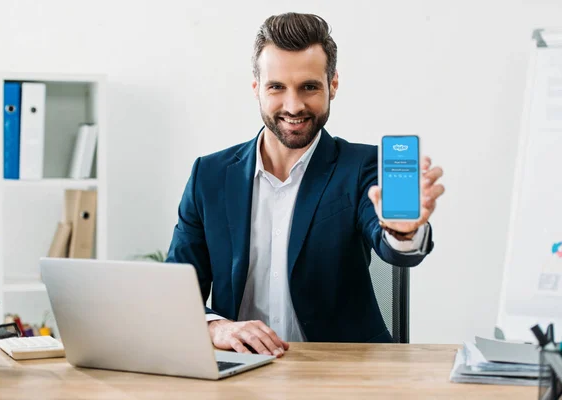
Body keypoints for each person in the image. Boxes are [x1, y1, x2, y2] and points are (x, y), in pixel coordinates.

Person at [166, 12, 445, 358]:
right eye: (277, 87)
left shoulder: (361, 167)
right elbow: (177, 292)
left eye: (309, 87)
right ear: (257, 89)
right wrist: (215, 326)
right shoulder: (209, 175)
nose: (293, 106)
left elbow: (390, 245)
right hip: (243, 371)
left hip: (345, 371)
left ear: (333, 85)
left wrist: (401, 233)